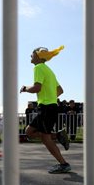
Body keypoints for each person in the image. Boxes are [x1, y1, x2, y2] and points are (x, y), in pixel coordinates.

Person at [20, 45, 71, 174]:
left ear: (38, 55)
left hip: (46, 107)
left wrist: (25, 88)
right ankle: (58, 135)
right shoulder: (49, 70)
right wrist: (50, 97)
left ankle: (64, 164)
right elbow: (60, 90)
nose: (30, 56)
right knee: (29, 132)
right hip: (51, 107)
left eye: (32, 54)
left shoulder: (38, 67)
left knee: (45, 138)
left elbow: (37, 88)